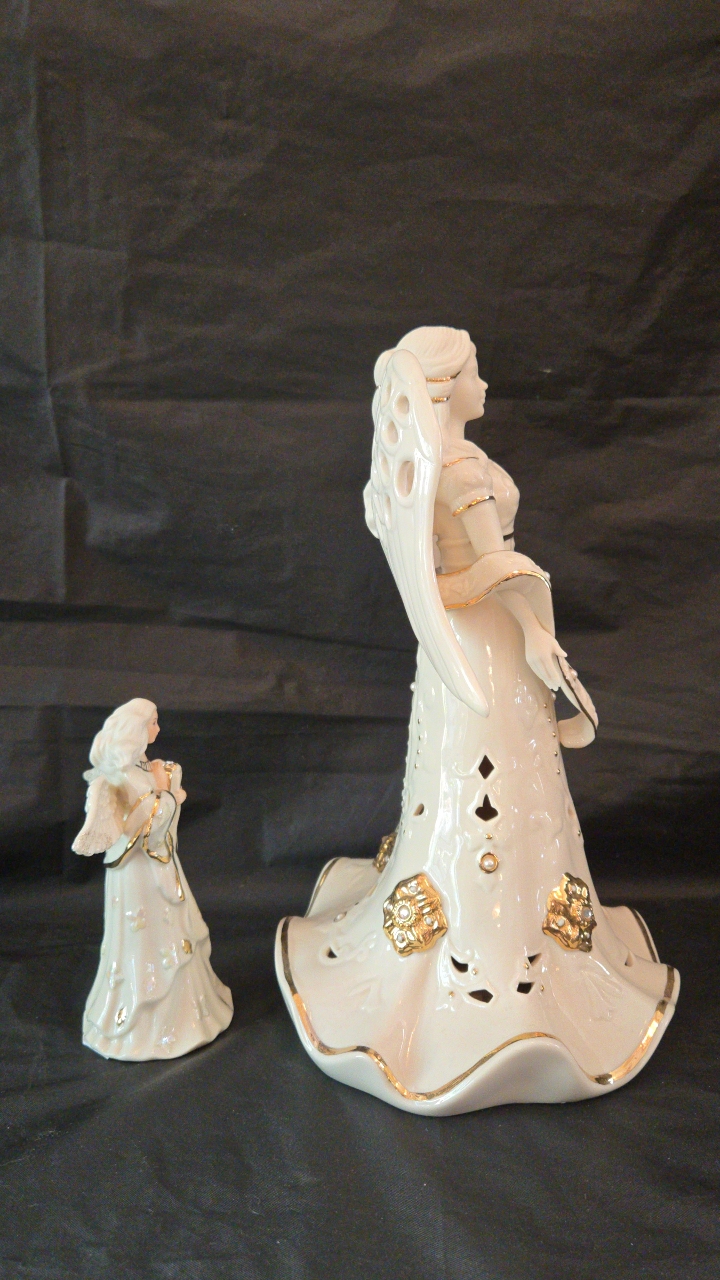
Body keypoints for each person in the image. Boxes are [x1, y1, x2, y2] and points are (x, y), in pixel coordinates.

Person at [276, 326, 678, 1114]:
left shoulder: (435, 466)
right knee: (502, 766)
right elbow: (491, 568)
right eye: (475, 372)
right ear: (446, 386)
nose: (486, 385)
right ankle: (496, 952)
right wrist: (536, 628)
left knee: (463, 768)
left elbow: (444, 573)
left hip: (454, 646)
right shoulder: (459, 469)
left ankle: (494, 931)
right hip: (488, 636)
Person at [73, 698, 232, 1060]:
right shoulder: (120, 775)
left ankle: (186, 1013)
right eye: (152, 723)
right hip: (138, 876)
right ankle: (143, 1021)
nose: (157, 729)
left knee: (175, 929)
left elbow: (161, 815)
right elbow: (141, 827)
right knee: (145, 939)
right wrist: (163, 789)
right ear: (135, 729)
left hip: (160, 868)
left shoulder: (142, 766)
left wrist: (167, 781)